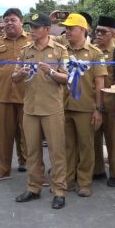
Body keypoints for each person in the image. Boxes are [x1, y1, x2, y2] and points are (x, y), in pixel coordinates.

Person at [12, 13, 69, 210]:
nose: (32, 30)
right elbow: (14, 76)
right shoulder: (25, 50)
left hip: (52, 108)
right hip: (30, 108)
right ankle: (34, 187)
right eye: (31, 27)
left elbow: (67, 78)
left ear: (46, 29)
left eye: (36, 27)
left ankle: (59, 190)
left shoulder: (60, 50)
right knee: (32, 151)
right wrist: (20, 73)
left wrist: (51, 72)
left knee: (57, 151)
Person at [58, 13, 106, 197]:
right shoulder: (62, 51)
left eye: (71, 28)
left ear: (83, 30)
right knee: (67, 146)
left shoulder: (95, 53)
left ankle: (85, 182)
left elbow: (100, 83)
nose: (67, 31)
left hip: (86, 107)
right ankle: (68, 179)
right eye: (67, 28)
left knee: (86, 146)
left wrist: (98, 109)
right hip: (64, 105)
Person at [0, 8, 30, 181]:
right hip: (3, 96)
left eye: (13, 20)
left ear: (21, 21)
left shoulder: (31, 40)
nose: (9, 23)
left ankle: (33, 169)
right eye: (6, 21)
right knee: (4, 134)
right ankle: (4, 168)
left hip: (27, 96)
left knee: (29, 134)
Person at [92, 16, 115, 186]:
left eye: (103, 32)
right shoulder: (92, 50)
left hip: (113, 102)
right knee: (94, 136)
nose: (98, 34)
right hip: (95, 100)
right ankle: (98, 170)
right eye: (97, 31)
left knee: (113, 140)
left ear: (113, 34)